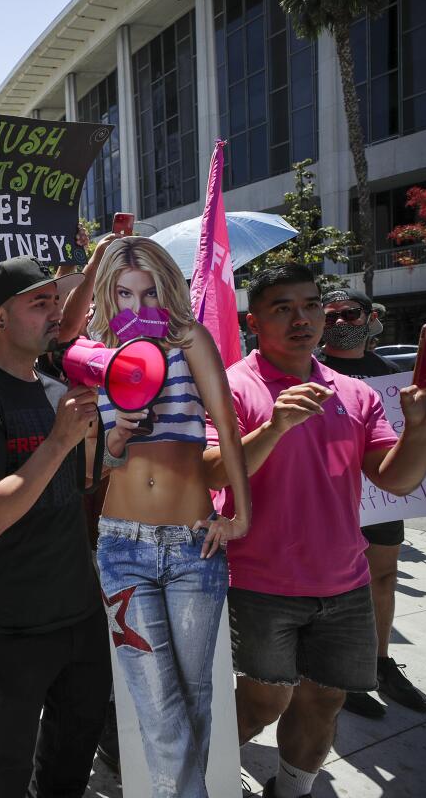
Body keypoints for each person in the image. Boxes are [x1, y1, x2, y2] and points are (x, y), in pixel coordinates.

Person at [202, 265, 426, 798]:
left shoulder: (353, 391)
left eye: (312, 304)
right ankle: (203, 775)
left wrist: (422, 430)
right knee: (261, 703)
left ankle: (291, 789)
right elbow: (208, 470)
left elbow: (397, 480)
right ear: (254, 321)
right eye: (283, 308)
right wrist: (273, 427)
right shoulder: (231, 385)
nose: (304, 318)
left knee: (325, 699)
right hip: (259, 582)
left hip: (345, 583)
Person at [0, 254, 109, 797]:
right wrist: (59, 440)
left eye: (56, 301)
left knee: (74, 742)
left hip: (77, 609)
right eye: (40, 302)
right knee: (9, 757)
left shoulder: (58, 389)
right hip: (14, 622)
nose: (54, 312)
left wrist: (108, 439)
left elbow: (77, 485)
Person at [86, 236, 250, 797]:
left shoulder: (190, 339)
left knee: (194, 696)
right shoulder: (99, 352)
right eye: (125, 292)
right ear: (109, 293)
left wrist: (241, 517)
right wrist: (114, 440)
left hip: (192, 543)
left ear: (168, 288)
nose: (137, 305)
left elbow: (228, 430)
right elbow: (95, 468)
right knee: (159, 709)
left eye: (150, 291)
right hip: (122, 547)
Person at [316, 288, 426, 719]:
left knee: (382, 579)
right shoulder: (308, 372)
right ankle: (340, 673)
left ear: (370, 317)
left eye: (350, 313)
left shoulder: (395, 376)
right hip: (327, 501)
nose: (341, 322)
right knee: (333, 588)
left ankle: (381, 664)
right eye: (331, 317)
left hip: (380, 499)